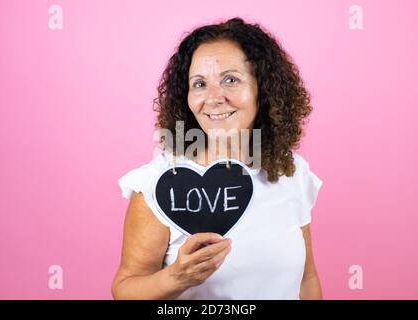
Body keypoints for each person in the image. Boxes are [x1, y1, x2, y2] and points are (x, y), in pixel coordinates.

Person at [111, 17, 323, 299]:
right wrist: (175, 278)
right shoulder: (158, 184)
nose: (213, 98)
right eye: (199, 84)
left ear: (263, 89)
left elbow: (306, 280)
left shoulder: (291, 172)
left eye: (230, 80)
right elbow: (125, 290)